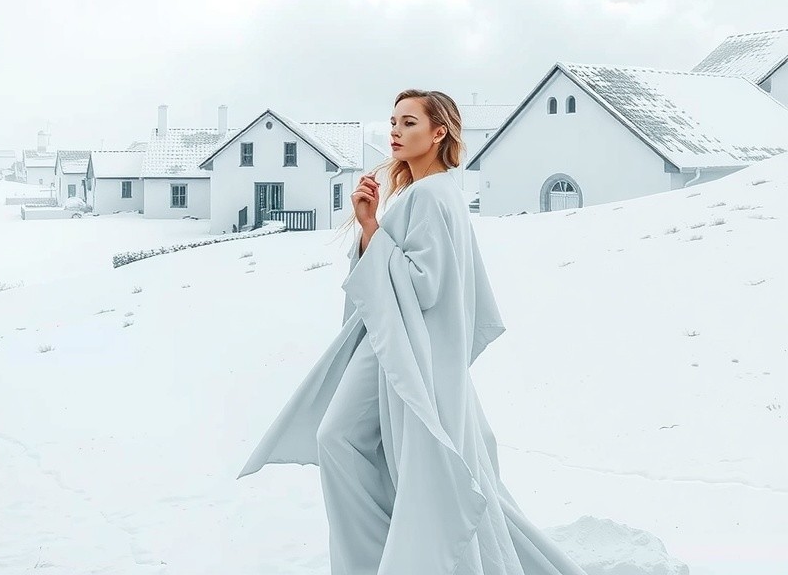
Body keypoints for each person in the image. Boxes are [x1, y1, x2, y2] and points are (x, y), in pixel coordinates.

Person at [238, 89, 588, 575]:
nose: (396, 132)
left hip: (399, 345)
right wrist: (371, 230)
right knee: (349, 443)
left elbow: (426, 285)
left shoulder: (431, 193)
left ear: (438, 132)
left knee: (340, 438)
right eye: (393, 122)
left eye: (409, 123)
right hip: (391, 340)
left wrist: (368, 224)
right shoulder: (427, 192)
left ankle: (386, 561)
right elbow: (412, 273)